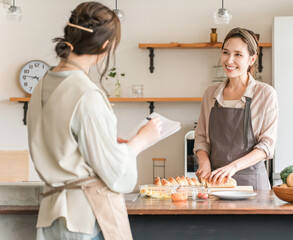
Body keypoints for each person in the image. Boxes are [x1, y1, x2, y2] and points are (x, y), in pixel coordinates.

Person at [27, 2, 162, 239]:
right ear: (105, 45)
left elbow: (67, 146)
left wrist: (108, 143)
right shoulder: (87, 94)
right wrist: (141, 140)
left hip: (51, 219)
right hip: (86, 218)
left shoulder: (42, 85)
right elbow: (115, 174)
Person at [194, 27, 278, 191]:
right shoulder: (210, 94)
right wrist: (204, 162)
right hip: (215, 185)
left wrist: (232, 167)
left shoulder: (265, 94)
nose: (229, 60)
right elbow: (201, 138)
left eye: (238, 54)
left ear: (252, 59)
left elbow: (266, 146)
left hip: (254, 188)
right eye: (226, 52)